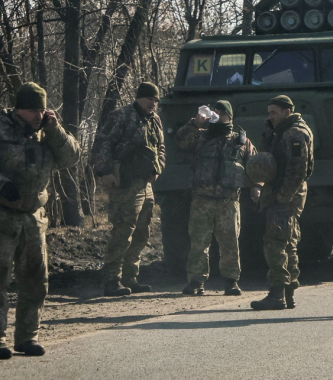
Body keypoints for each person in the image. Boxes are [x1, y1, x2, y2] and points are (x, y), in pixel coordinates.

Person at [0, 82, 81, 359]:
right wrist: (0, 185)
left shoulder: (48, 133)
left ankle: (27, 337)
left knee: (36, 280)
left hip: (33, 217)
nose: (37, 115)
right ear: (18, 109)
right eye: (31, 110)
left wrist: (55, 130)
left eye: (41, 109)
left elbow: (72, 157)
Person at [175, 100, 260, 296]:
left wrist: (256, 186)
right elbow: (180, 141)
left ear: (229, 116)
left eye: (222, 113)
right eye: (215, 112)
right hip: (202, 200)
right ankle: (196, 281)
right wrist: (196, 123)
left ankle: (231, 282)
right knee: (198, 243)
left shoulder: (242, 141)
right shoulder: (200, 138)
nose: (217, 116)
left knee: (230, 243)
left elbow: (254, 166)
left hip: (228, 202)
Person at [91, 82, 166, 296]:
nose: (153, 103)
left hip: (146, 184)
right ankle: (111, 279)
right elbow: (103, 142)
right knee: (123, 231)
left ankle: (130, 277)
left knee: (142, 232)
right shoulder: (121, 116)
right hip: (124, 183)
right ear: (140, 98)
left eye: (156, 100)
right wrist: (105, 171)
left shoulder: (155, 120)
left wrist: (158, 167)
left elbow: (161, 147)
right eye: (150, 98)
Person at [250, 95, 314, 310]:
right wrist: (268, 132)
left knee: (275, 244)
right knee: (288, 243)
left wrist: (282, 197)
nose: (270, 117)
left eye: (274, 112)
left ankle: (277, 293)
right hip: (283, 195)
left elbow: (298, 170)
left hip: (285, 196)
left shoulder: (295, 133)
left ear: (287, 111)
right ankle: (288, 293)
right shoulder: (282, 132)